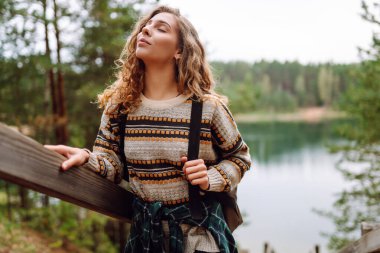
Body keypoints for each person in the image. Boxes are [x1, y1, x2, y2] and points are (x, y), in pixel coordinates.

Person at [45, 5, 251, 253]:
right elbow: (110, 162)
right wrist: (87, 159)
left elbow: (239, 158)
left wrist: (211, 177)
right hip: (145, 235)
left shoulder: (207, 108)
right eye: (145, 27)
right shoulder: (120, 105)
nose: (146, 30)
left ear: (179, 51)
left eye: (160, 28)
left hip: (198, 236)